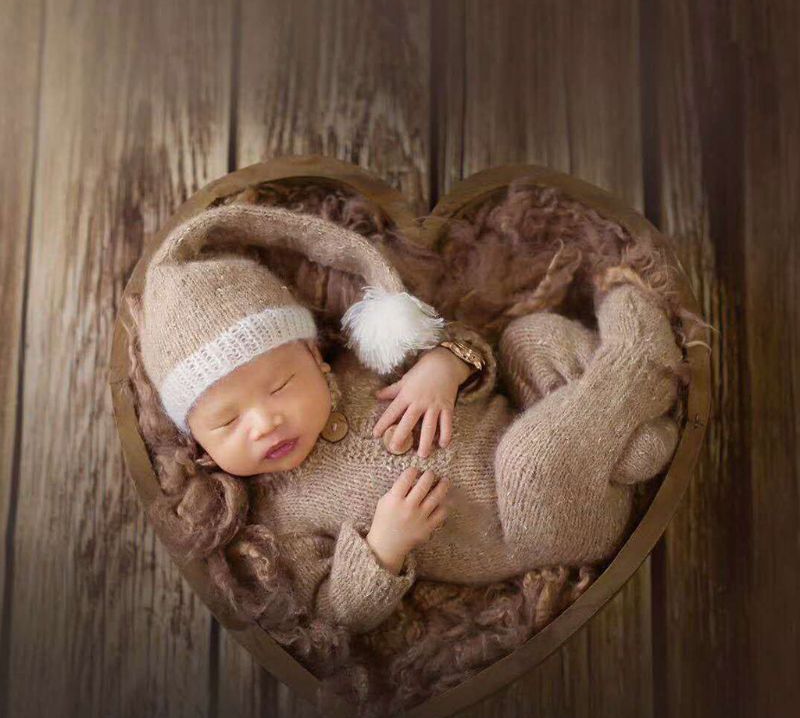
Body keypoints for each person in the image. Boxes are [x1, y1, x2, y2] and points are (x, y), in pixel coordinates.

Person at [139, 203, 682, 634]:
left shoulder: (367, 364)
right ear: (200, 447)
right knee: (529, 459)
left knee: (527, 339)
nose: (263, 423)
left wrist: (443, 368)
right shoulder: (281, 517)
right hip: (537, 526)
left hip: (551, 434)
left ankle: (629, 443)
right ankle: (641, 363)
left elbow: (477, 348)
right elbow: (334, 612)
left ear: (313, 356)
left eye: (280, 385)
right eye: (227, 422)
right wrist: (385, 546)